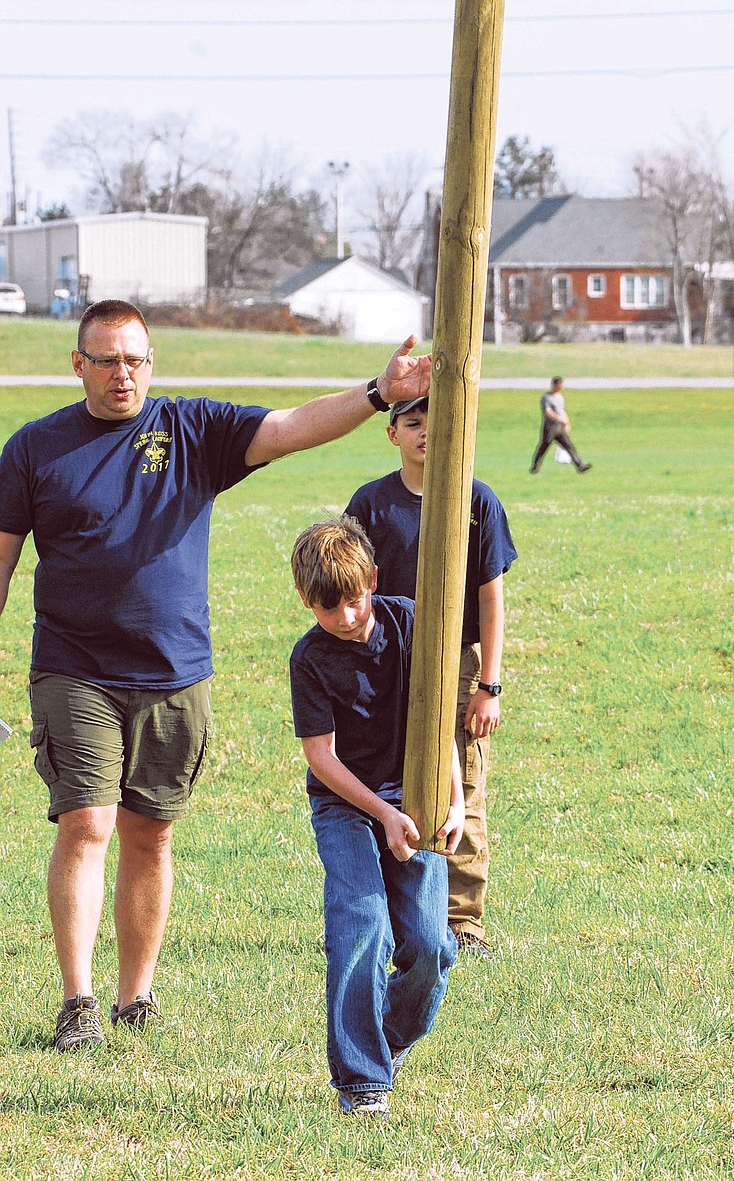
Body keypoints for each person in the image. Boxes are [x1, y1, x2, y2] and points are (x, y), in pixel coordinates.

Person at [0, 299, 432, 1052]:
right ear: (79, 365)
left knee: (152, 835)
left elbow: (291, 428)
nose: (122, 373)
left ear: (151, 363)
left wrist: (377, 396)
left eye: (135, 359)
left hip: (175, 672)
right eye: (106, 360)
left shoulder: (189, 431)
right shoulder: (35, 450)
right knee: (87, 822)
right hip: (74, 668)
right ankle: (79, 1001)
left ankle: (137, 996)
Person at [289, 516, 464, 1119]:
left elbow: (438, 717)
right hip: (346, 805)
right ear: (305, 601)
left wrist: (454, 797)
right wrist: (384, 815)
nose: (346, 617)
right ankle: (362, 1079)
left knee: (432, 946)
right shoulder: (309, 659)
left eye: (355, 599)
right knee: (363, 926)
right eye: (328, 607)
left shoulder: (408, 620)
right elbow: (321, 758)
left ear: (374, 581)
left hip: (415, 796)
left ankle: (379, 1040)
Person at [345, 397, 517, 958]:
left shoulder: (477, 500)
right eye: (413, 423)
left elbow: (492, 600)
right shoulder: (369, 504)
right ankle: (395, 911)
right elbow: (349, 589)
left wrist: (488, 685)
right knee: (383, 778)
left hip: (457, 662)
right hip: (384, 658)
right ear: (392, 433)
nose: (425, 434)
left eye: (435, 423)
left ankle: (463, 921)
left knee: (461, 785)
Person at [530, 376, 592, 474]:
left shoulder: (560, 397)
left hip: (559, 428)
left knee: (569, 446)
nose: (562, 387)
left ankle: (580, 466)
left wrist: (567, 422)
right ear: (555, 385)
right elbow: (548, 411)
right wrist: (559, 419)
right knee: (543, 447)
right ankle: (535, 467)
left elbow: (562, 411)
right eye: (561, 385)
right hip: (550, 428)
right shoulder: (546, 397)